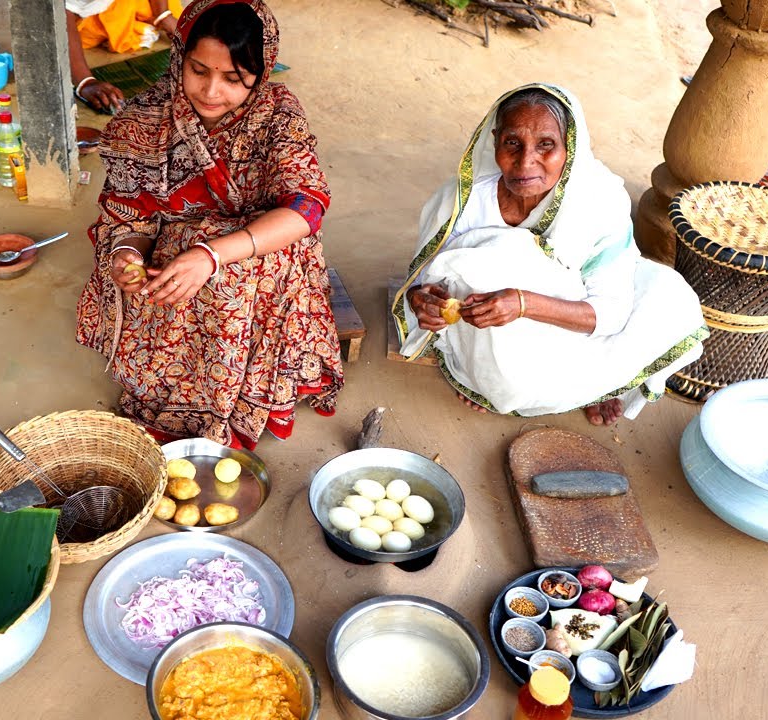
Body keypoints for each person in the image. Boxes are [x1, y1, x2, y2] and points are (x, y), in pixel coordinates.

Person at [75, 0, 343, 449]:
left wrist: (211, 255)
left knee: (231, 276)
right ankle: (174, 388)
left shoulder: (277, 116)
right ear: (179, 56)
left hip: (256, 250)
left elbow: (306, 208)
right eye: (198, 70)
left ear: (260, 74)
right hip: (171, 254)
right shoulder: (142, 120)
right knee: (160, 271)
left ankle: (233, 396)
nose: (211, 91)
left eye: (234, 78)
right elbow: (127, 214)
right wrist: (126, 254)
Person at [392, 84, 708, 425]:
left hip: (568, 324)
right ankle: (487, 379)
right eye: (512, 142)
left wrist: (523, 303)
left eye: (546, 145)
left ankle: (582, 387)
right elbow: (422, 281)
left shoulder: (599, 202)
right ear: (495, 140)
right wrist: (423, 301)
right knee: (491, 270)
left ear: (569, 148)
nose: (526, 162)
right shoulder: (459, 201)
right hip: (488, 334)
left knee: (668, 297)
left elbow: (611, 315)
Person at [66, 0, 184, 114]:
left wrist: (163, 15)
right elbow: (60, 15)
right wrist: (85, 82)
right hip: (71, 13)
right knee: (92, 32)